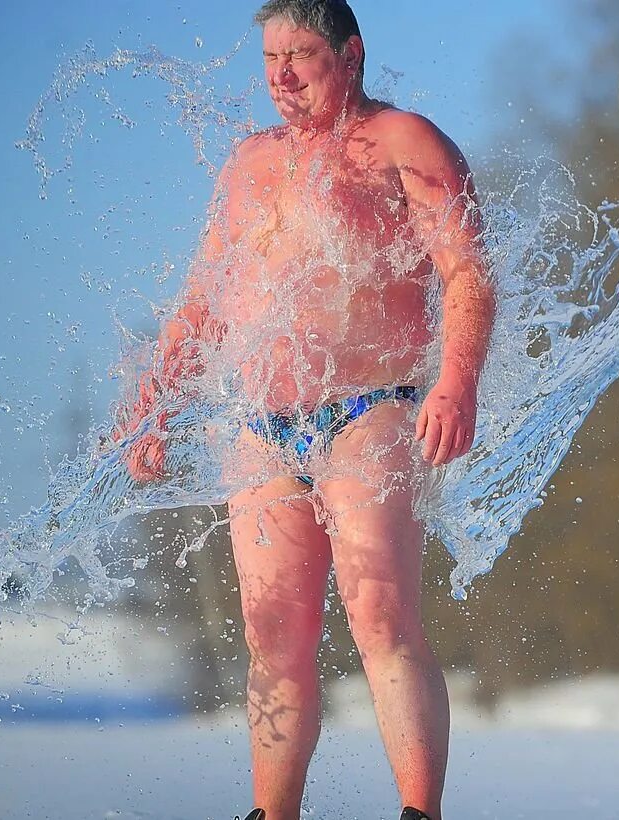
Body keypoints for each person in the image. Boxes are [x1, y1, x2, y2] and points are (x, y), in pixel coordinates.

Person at [118, 2, 494, 819]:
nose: (283, 74)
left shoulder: (406, 143)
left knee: (381, 620)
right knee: (272, 640)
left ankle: (419, 812)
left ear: (350, 55)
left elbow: (467, 272)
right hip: (260, 424)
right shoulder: (249, 164)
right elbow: (206, 305)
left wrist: (456, 381)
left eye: (303, 54)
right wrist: (154, 401)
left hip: (375, 406)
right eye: (271, 57)